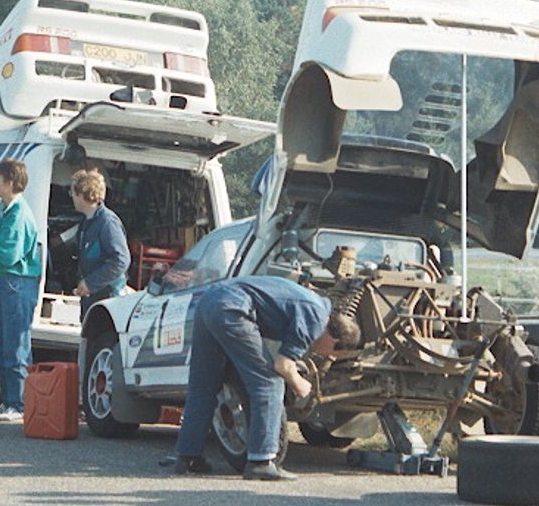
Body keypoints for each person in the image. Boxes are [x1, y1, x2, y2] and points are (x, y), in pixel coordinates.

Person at [172, 276, 361, 481]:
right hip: (233, 306)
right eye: (333, 353)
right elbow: (283, 365)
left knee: (204, 385)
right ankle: (261, 462)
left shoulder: (313, 304)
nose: (327, 356)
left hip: (208, 301)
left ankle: (188, 457)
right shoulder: (316, 319)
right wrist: (299, 384)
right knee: (269, 383)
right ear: (334, 339)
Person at [0, 159, 42, 423]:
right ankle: (8, 400)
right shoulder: (3, 209)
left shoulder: (18, 214)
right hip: (6, 280)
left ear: (10, 182)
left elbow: (6, 254)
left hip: (17, 282)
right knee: (3, 344)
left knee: (16, 345)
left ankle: (19, 404)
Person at [70, 168, 129, 319]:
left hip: (108, 301)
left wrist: (91, 283)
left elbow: (121, 260)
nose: (72, 197)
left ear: (82, 195)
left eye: (73, 193)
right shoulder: (86, 222)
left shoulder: (107, 223)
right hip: (92, 299)